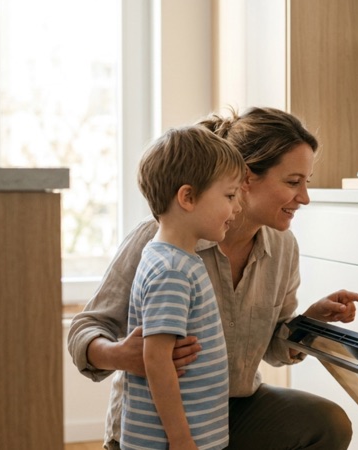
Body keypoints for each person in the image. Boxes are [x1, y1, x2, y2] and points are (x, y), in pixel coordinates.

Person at [68, 106, 358, 450]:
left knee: (325, 423)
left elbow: (273, 348)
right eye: (292, 182)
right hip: (157, 425)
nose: (304, 198)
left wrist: (309, 322)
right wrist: (118, 354)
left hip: (230, 410)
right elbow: (85, 330)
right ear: (245, 178)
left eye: (307, 183)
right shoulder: (158, 243)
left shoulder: (283, 247)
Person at [120, 126, 246, 450]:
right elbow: (157, 361)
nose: (238, 208)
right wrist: (180, 439)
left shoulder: (177, 259)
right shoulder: (172, 270)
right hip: (170, 442)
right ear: (187, 197)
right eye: (230, 196)